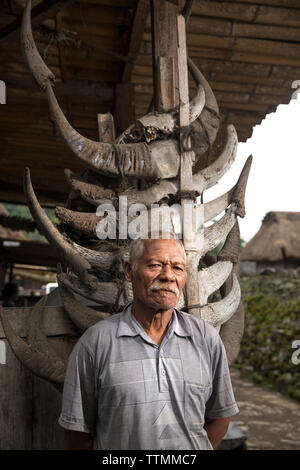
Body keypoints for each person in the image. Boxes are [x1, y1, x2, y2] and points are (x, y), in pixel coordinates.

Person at [58, 235, 239, 450]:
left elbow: (220, 416)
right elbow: (76, 431)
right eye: (155, 265)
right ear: (129, 271)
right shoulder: (96, 343)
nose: (168, 276)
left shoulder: (206, 339)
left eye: (178, 269)